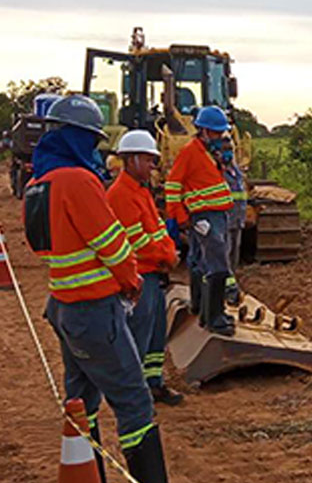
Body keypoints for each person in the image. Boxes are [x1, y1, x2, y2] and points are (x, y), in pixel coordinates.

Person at [24, 95, 213, 483]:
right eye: (91, 139)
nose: (94, 149)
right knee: (134, 403)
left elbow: (41, 245)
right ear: (79, 138)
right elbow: (113, 246)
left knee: (83, 404)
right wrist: (130, 284)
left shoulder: (41, 182)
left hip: (64, 306)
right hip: (95, 311)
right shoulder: (78, 181)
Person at [106, 130, 184, 407]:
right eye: (149, 160)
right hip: (141, 275)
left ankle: (154, 383)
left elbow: (158, 228)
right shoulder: (121, 195)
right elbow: (136, 242)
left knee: (154, 334)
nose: (154, 166)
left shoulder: (140, 191)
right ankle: (136, 392)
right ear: (132, 159)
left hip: (154, 271)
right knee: (138, 335)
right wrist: (167, 255)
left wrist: (169, 250)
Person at [165, 105, 236, 336]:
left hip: (217, 213)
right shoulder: (189, 152)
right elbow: (173, 185)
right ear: (203, 131)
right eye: (215, 132)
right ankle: (213, 317)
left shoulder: (210, 153)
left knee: (198, 260)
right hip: (204, 216)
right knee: (217, 263)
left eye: (221, 132)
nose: (220, 136)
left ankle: (198, 305)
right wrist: (180, 216)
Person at [218, 135, 248, 305]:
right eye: (225, 150)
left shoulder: (235, 171)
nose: (228, 153)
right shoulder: (216, 171)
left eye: (230, 149)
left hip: (237, 220)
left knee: (233, 258)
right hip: (224, 220)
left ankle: (230, 286)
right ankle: (228, 290)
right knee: (223, 258)